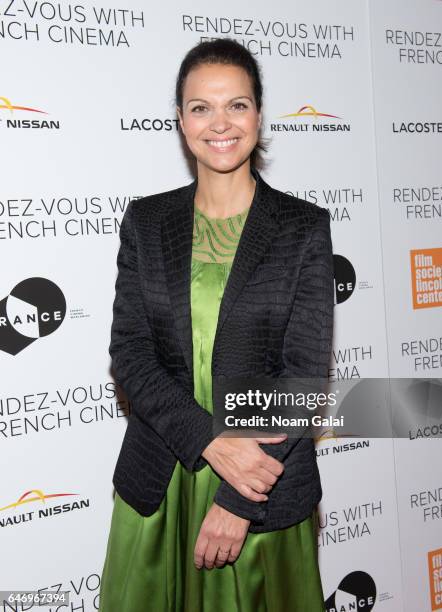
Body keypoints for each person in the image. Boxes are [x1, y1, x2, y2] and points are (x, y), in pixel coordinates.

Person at [99, 38, 334, 612]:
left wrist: (235, 499)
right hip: (162, 479)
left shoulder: (304, 227)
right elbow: (129, 352)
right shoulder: (147, 221)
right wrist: (210, 440)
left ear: (258, 114)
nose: (219, 123)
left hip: (261, 486)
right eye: (201, 107)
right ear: (181, 120)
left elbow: (302, 381)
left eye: (237, 104)